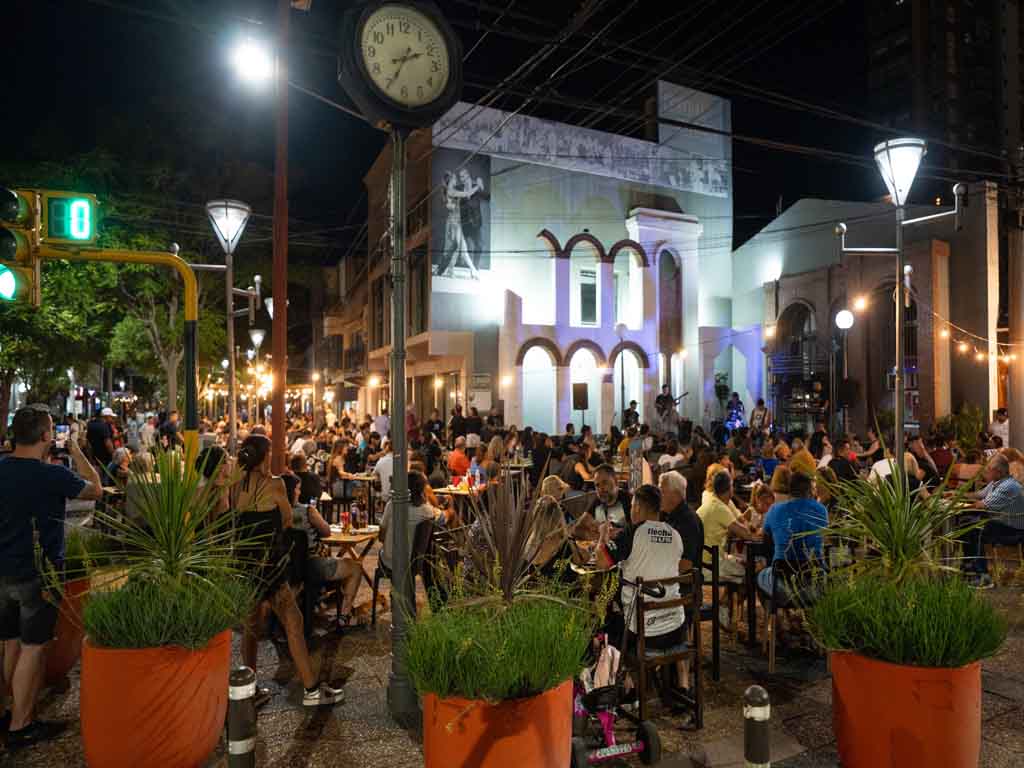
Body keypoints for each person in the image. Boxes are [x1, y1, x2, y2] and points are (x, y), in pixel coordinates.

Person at [0, 405, 103, 750]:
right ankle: (21, 725)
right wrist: (76, 449)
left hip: (3, 568)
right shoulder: (53, 475)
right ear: (47, 436)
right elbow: (96, 490)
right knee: (34, 646)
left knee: (10, 641)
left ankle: (9, 711)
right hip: (38, 572)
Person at [230, 435, 344, 707]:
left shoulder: (236, 485)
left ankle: (250, 689)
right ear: (264, 456)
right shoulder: (276, 484)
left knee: (251, 627)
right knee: (293, 623)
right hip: (269, 564)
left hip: (244, 563)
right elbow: (287, 519)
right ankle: (312, 690)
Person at [597, 485, 690, 688]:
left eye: (632, 506)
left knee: (606, 624)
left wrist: (603, 537)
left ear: (637, 507)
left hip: (643, 632)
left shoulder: (633, 533)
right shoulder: (675, 535)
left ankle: (628, 686)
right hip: (676, 628)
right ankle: (683, 685)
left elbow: (601, 563)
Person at [283, 474, 362, 632]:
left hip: (286, 567)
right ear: (292, 491)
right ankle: (344, 616)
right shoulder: (307, 511)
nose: (299, 492)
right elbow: (326, 531)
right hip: (312, 565)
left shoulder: (276, 513)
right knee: (355, 567)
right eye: (297, 489)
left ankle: (322, 602)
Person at [697, 470, 758, 627]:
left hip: (702, 561)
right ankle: (724, 608)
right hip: (711, 565)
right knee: (751, 571)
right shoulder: (720, 508)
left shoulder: (712, 503)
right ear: (729, 488)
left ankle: (724, 608)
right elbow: (745, 533)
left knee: (740, 564)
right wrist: (761, 536)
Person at [757, 471, 828, 603]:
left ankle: (772, 614)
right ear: (809, 491)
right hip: (813, 583)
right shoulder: (821, 510)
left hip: (782, 581)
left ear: (789, 491)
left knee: (759, 575)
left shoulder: (774, 510)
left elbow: (764, 535)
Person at [962, 454, 1024, 587]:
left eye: (988, 469)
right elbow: (978, 495)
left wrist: (962, 505)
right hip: (1003, 524)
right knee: (966, 522)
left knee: (975, 528)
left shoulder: (1007, 486)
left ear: (998, 472)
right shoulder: (996, 483)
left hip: (1014, 530)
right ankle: (969, 568)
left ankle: (983, 577)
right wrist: (958, 495)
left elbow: (982, 505)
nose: (984, 472)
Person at [379, 471, 440, 572]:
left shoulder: (392, 505)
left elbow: (381, 537)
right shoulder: (427, 511)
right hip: (414, 563)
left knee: (382, 552)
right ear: (422, 489)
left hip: (390, 562)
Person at [659, 470, 701, 571]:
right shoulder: (666, 515)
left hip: (684, 578)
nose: (658, 496)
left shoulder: (688, 521)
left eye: (662, 492)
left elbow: (686, 565)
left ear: (676, 494)